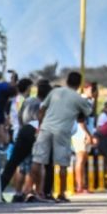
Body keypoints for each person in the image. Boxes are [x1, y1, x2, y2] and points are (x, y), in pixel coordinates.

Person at [29, 72, 93, 202]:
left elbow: (42, 109)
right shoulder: (78, 98)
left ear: (67, 80)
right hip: (62, 131)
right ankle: (61, 193)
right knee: (62, 164)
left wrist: (41, 125)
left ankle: (35, 191)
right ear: (79, 84)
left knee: (37, 160)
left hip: (46, 128)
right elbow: (88, 112)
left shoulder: (55, 92)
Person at [72, 81, 97, 194]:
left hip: (87, 133)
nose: (94, 92)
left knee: (84, 160)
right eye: (92, 90)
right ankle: (79, 186)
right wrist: (88, 135)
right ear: (85, 89)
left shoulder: (90, 101)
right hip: (80, 134)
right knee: (80, 160)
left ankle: (83, 185)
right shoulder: (82, 101)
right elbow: (80, 120)